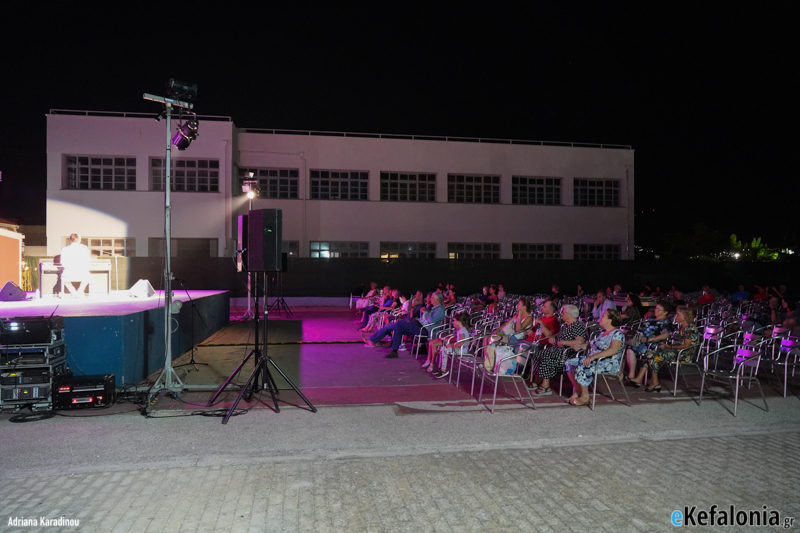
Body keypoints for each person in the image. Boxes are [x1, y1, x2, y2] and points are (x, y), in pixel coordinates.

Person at [629, 306, 700, 392]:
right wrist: (666, 346)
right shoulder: (681, 327)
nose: (675, 316)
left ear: (685, 316)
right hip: (675, 351)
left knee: (653, 356)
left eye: (678, 314)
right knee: (650, 353)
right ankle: (643, 379)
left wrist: (669, 347)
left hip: (683, 354)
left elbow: (686, 346)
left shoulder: (690, 329)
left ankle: (654, 382)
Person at [564, 309, 625, 406]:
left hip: (607, 363)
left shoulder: (617, 334)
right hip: (595, 359)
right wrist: (581, 346)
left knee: (583, 367)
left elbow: (613, 350)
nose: (601, 317)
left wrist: (592, 357)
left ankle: (585, 397)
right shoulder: (603, 333)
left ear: (610, 320)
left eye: (603, 316)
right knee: (569, 363)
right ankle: (578, 391)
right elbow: (592, 345)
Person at [527, 304, 586, 396]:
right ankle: (537, 380)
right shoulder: (565, 325)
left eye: (563, 312)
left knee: (546, 356)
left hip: (567, 353)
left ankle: (546, 387)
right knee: (538, 354)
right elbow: (557, 336)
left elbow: (579, 341)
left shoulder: (578, 325)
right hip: (556, 350)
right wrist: (553, 337)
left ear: (569, 314)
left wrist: (563, 342)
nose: (561, 314)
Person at [366, 292, 446, 358]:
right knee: (398, 328)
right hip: (419, 325)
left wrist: (425, 312)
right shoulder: (434, 308)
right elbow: (425, 318)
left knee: (399, 324)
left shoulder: (440, 310)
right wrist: (423, 313)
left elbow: (431, 320)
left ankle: (377, 341)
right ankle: (393, 350)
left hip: (425, 330)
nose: (430, 299)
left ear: (437, 299)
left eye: (432, 298)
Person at [624, 300, 675, 383]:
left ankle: (636, 378)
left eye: (659, 309)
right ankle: (631, 375)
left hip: (654, 343)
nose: (656, 310)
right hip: (642, 341)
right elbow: (640, 329)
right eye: (656, 308)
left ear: (665, 312)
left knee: (636, 348)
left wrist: (649, 339)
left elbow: (665, 335)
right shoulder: (650, 319)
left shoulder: (666, 322)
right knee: (628, 347)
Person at [482, 298, 534, 373]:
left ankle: (490, 366)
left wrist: (520, 315)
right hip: (507, 335)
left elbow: (518, 329)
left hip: (515, 338)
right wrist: (498, 330)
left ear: (524, 307)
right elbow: (507, 323)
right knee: (486, 338)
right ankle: (488, 362)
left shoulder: (529, 318)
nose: (517, 305)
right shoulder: (517, 315)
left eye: (519, 304)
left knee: (493, 339)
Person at [430, 313, 471, 380]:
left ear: (459, 322)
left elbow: (460, 343)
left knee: (444, 350)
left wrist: (451, 345)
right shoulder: (460, 329)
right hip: (458, 349)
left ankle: (444, 370)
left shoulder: (462, 331)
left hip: (461, 350)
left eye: (454, 320)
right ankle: (440, 367)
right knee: (442, 348)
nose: (453, 322)